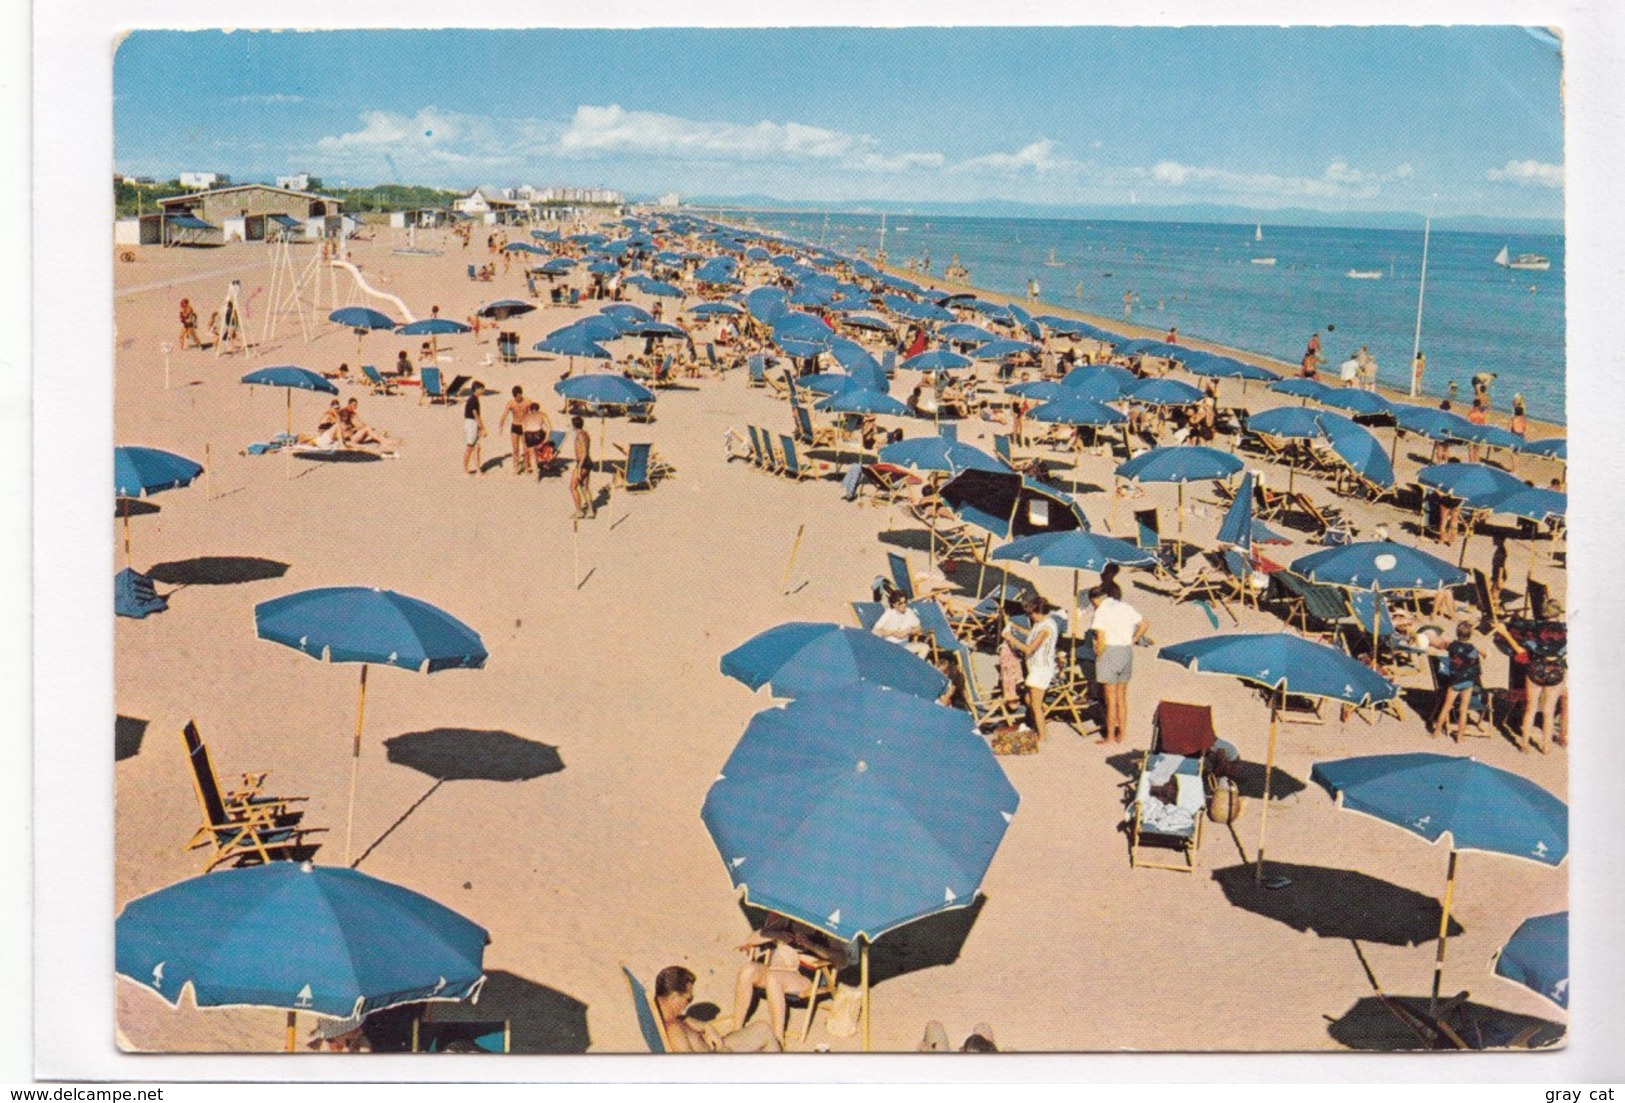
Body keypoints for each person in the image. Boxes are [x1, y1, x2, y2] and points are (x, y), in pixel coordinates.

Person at [732, 914, 850, 1048]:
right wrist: (778, 934)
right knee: (748, 970)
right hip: (778, 968)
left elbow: (842, 959)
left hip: (806, 976)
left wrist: (812, 946)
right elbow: (754, 937)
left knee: (773, 978)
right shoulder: (792, 917)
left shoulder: (828, 926)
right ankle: (737, 1029)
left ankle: (777, 1039)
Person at [652, 966, 779, 1053]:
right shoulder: (673, 1031)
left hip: (716, 1050)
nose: (689, 1002)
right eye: (688, 999)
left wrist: (707, 1027)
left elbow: (684, 1019)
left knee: (763, 1029)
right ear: (674, 997)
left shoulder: (666, 1016)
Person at [1500, 598, 1568, 751]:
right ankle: (1546, 746)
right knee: (1549, 711)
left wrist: (1505, 631)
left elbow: (1521, 648)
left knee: (1531, 707)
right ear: (1558, 613)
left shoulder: (1533, 629)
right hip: (1555, 670)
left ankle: (1524, 743)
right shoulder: (1567, 630)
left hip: (1536, 669)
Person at [1086, 584, 1148, 745]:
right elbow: (1144, 624)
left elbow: (1100, 638)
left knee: (1110, 699)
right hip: (1126, 651)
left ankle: (1110, 736)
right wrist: (1133, 639)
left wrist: (1098, 655)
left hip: (1110, 652)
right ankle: (1122, 733)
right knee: (1122, 697)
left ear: (1095, 599)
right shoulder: (1125, 606)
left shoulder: (1101, 612)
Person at [1002, 594, 1059, 740]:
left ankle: (1042, 736)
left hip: (1041, 669)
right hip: (1036, 667)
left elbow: (1029, 649)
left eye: (1031, 614)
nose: (1030, 616)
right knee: (1029, 699)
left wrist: (1010, 638)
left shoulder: (1046, 628)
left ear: (1038, 612)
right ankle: (1040, 724)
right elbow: (1032, 634)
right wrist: (1015, 627)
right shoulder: (1042, 624)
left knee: (1034, 704)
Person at [1429, 621, 1482, 741]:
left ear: (1457, 633)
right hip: (1467, 682)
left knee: (1446, 707)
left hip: (1454, 681)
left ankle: (1436, 732)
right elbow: (1475, 659)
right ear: (1470, 635)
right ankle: (1460, 737)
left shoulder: (1452, 646)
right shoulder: (1472, 649)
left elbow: (1444, 644)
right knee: (1463, 710)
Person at [873, 590, 929, 658]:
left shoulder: (909, 612)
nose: (904, 605)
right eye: (900, 603)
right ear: (894, 604)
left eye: (905, 602)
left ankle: (916, 667)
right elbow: (875, 631)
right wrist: (892, 632)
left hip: (904, 646)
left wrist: (908, 632)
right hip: (891, 647)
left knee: (925, 647)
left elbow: (918, 628)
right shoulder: (889, 613)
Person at [499, 386, 530, 475]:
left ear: (521, 394)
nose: (517, 398)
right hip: (515, 426)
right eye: (515, 397)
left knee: (525, 449)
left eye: (518, 396)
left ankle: (527, 467)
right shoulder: (511, 403)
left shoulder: (527, 402)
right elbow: (504, 415)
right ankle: (516, 467)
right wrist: (501, 427)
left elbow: (533, 413)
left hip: (524, 427)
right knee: (515, 448)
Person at [570, 415, 594, 518]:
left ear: (574, 425)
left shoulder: (580, 435)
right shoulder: (585, 434)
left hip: (583, 463)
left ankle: (579, 511)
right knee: (584, 487)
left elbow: (584, 452)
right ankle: (591, 510)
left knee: (572, 487)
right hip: (587, 462)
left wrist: (579, 467)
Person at [522, 402, 553, 478]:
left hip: (528, 435)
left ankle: (536, 474)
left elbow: (524, 430)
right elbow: (549, 427)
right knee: (546, 445)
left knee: (532, 454)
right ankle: (544, 461)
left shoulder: (526, 416)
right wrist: (546, 438)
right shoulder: (542, 414)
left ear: (530, 409)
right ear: (538, 409)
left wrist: (524, 441)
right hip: (538, 434)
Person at [462, 381, 485, 475]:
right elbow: (475, 414)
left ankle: (478, 469)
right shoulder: (473, 400)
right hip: (471, 423)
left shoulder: (475, 399)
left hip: (473, 423)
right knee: (470, 447)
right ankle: (465, 469)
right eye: (481, 389)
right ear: (476, 389)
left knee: (477, 447)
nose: (483, 391)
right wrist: (482, 427)